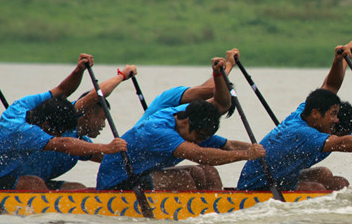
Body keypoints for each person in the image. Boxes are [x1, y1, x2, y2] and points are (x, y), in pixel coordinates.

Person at [237, 41, 352, 192]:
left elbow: (331, 85)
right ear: (316, 113)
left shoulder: (306, 110)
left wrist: (339, 60)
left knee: (331, 178)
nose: (336, 120)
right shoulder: (303, 133)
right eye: (333, 114)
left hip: (280, 177)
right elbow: (342, 142)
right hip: (257, 185)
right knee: (316, 188)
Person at [96, 57, 264, 191]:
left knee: (207, 172)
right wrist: (245, 155)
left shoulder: (193, 122)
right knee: (183, 178)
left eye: (203, 138)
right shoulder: (158, 129)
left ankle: (213, 217)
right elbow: (201, 155)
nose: (199, 141)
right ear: (185, 122)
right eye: (198, 137)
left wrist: (262, 152)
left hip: (144, 173)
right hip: (118, 181)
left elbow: (229, 145)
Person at [0, 54, 128, 190]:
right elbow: (63, 144)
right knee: (34, 184)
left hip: (22, 177)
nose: (61, 135)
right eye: (58, 133)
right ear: (46, 126)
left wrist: (79, 70)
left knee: (77, 189)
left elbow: (62, 90)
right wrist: (106, 147)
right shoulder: (21, 130)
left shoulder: (24, 104)